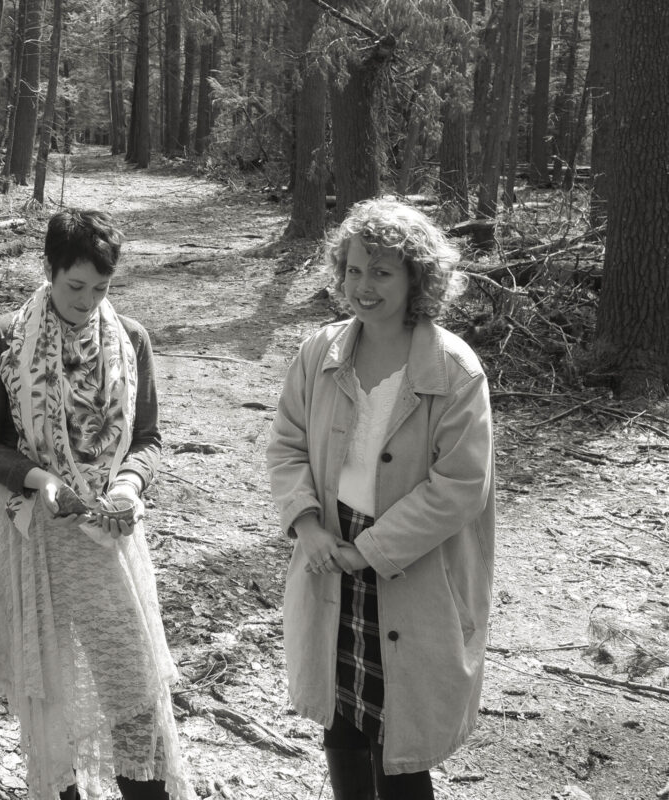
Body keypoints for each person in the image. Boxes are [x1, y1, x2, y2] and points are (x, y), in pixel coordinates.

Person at [266, 198, 495, 799]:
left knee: (400, 736)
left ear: (418, 279)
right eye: (354, 270)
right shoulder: (320, 353)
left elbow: (460, 487)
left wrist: (370, 550)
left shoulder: (454, 370)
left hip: (413, 569)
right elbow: (287, 443)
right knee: (342, 719)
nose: (363, 286)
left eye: (382, 272)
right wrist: (307, 524)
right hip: (328, 553)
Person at [0, 209, 194, 800]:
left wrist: (129, 486)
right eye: (76, 286)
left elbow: (147, 439)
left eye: (102, 288)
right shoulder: (3, 338)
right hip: (32, 535)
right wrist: (38, 478)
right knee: (51, 695)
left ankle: (146, 791)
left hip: (108, 537)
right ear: (48, 268)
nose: (88, 302)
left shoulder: (131, 339)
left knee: (132, 682)